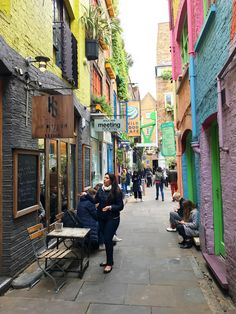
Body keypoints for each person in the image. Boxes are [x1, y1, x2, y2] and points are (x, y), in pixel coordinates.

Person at [84, 173, 124, 273]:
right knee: (107, 240)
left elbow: (120, 206)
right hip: (102, 218)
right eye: (104, 178)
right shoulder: (101, 190)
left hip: (113, 219)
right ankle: (108, 260)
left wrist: (110, 207)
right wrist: (87, 196)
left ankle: (109, 263)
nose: (104, 179)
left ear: (111, 180)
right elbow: (95, 201)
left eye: (106, 178)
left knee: (107, 239)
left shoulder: (116, 191)